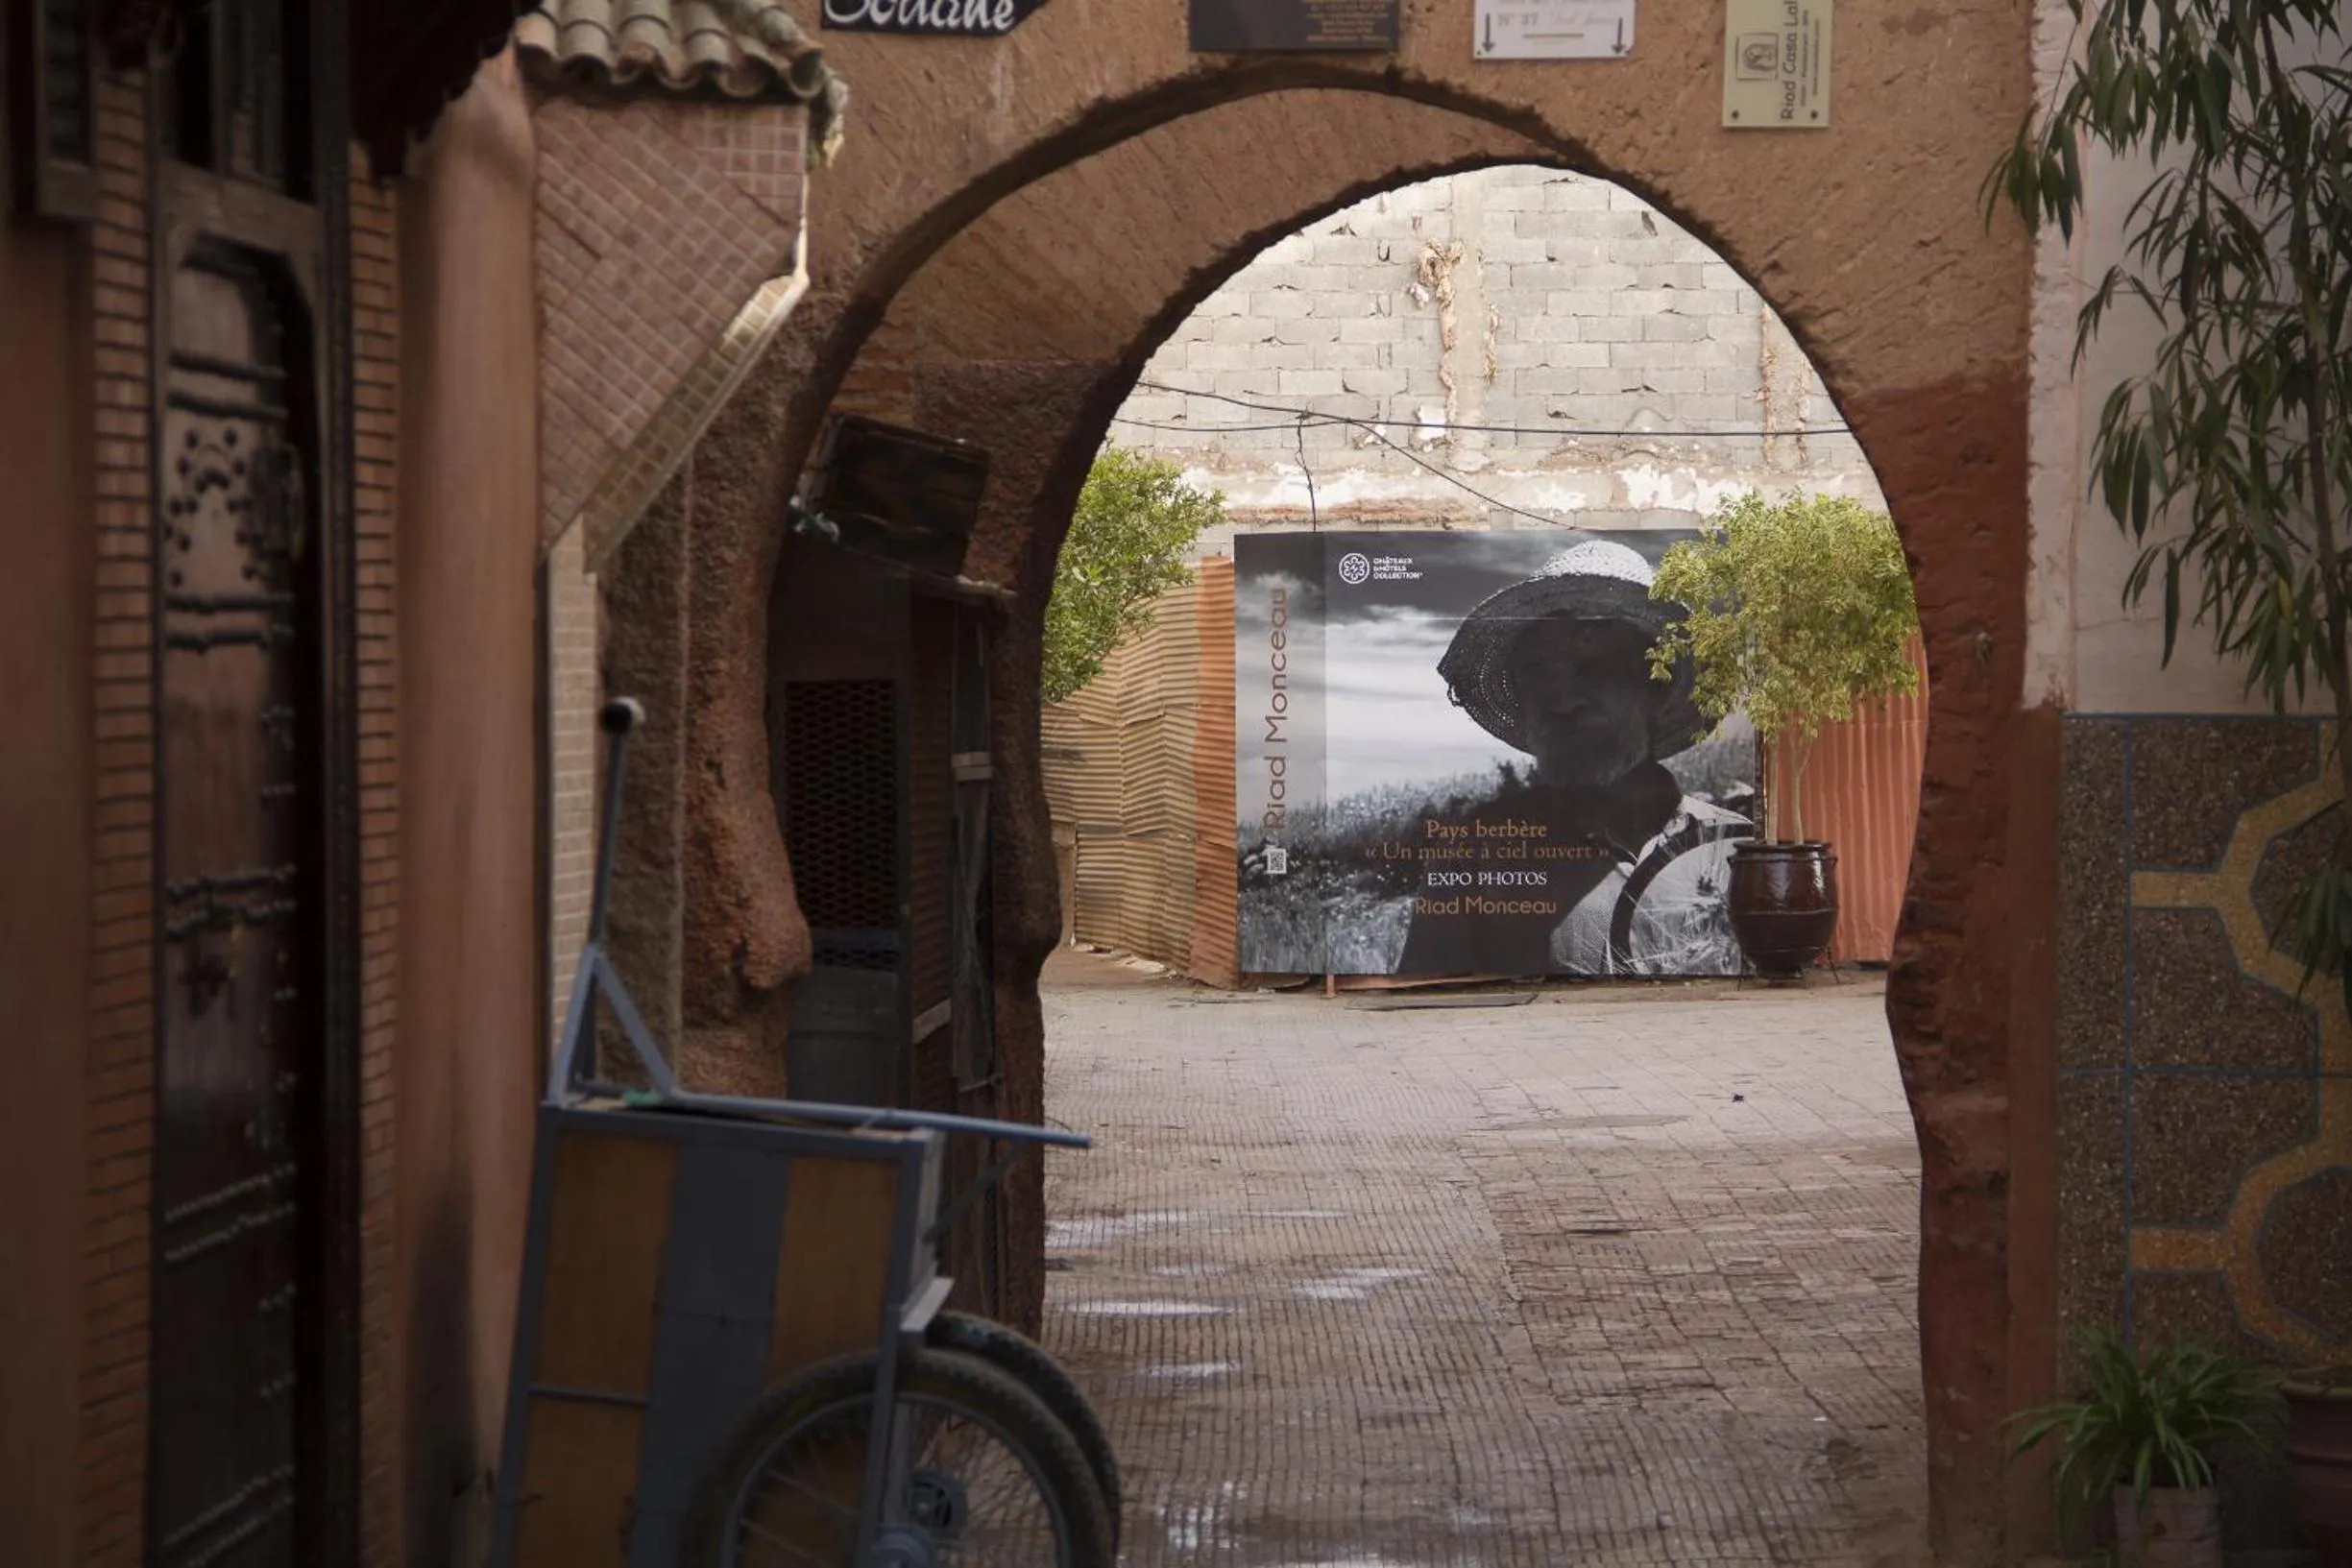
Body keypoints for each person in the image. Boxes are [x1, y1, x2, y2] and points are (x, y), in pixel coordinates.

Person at [1394, 538, 1753, 977]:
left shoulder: (1730, 848)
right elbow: (1429, 1000)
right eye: (1538, 673)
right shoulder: (1476, 854)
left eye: (1595, 668)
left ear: (1654, 686)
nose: (1563, 700)